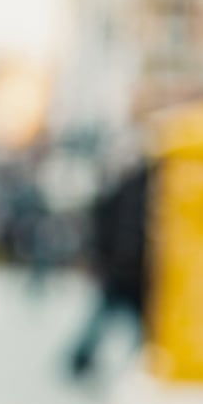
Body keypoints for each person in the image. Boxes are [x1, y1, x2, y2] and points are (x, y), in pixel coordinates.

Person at [67, 160, 152, 379]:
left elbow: (101, 224)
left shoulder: (119, 190)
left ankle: (81, 358)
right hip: (133, 269)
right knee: (140, 322)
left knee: (103, 316)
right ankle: (140, 362)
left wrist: (99, 256)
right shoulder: (148, 193)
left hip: (118, 267)